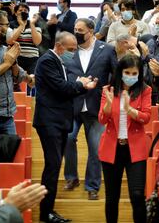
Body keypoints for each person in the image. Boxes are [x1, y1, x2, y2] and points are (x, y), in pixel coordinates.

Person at [34, 31, 98, 223]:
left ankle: (48, 212)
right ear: (59, 46)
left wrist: (77, 83)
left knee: (54, 167)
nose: (73, 52)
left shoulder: (58, 61)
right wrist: (81, 85)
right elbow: (61, 88)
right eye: (70, 49)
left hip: (58, 121)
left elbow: (63, 86)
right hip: (50, 122)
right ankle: (46, 214)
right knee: (52, 168)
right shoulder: (47, 60)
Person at [63, 18, 117, 200]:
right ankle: (71, 178)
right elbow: (64, 76)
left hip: (97, 105)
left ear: (91, 31)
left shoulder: (107, 49)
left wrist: (109, 94)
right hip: (73, 103)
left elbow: (116, 74)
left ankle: (92, 185)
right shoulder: (69, 50)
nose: (76, 33)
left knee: (95, 148)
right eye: (75, 29)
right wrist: (77, 83)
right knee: (68, 139)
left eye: (80, 30)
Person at [98, 54, 151, 223]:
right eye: (127, 72)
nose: (130, 76)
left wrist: (129, 110)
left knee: (137, 195)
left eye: (134, 73)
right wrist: (107, 107)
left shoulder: (145, 90)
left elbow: (146, 117)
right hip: (112, 148)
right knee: (112, 197)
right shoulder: (108, 89)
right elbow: (102, 120)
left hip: (135, 148)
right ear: (120, 72)